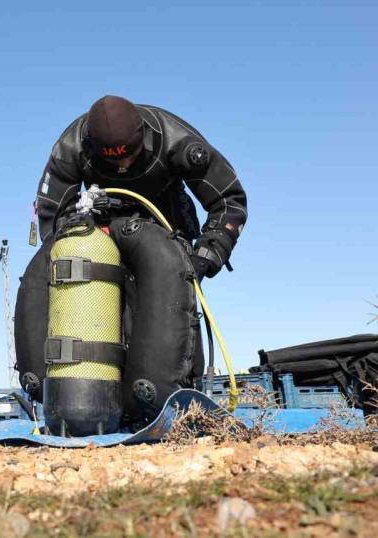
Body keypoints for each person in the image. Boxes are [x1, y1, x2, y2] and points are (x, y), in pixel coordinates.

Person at [15, 94, 247, 401]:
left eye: (129, 157)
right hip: (101, 232)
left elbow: (229, 201)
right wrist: (77, 247)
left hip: (166, 232)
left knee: (166, 314)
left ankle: (176, 394)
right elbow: (52, 216)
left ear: (144, 140)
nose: (122, 166)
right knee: (104, 314)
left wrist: (207, 255)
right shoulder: (71, 148)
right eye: (112, 161)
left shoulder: (177, 142)